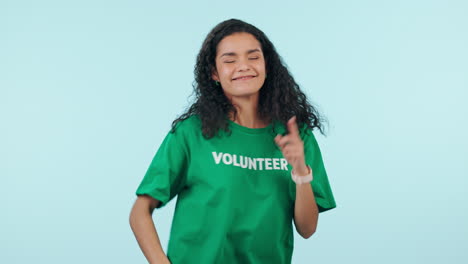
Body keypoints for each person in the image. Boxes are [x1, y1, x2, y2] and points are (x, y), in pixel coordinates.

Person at [129, 18, 336, 264]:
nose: (243, 66)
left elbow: (307, 229)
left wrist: (301, 171)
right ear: (215, 73)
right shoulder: (193, 132)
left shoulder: (295, 135)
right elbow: (140, 212)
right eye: (230, 60)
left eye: (253, 57)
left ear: (267, 65)